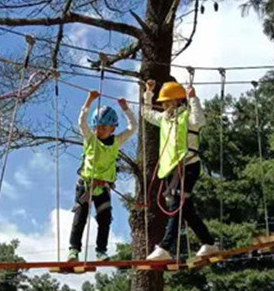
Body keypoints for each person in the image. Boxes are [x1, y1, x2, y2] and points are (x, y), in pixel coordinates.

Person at [143, 79, 218, 261]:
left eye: (169, 102)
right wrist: (148, 93)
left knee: (176, 205)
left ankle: (165, 247)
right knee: (186, 211)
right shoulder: (164, 119)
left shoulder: (188, 117)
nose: (166, 106)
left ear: (178, 101)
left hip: (189, 165)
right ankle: (209, 243)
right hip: (172, 170)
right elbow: (146, 113)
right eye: (164, 103)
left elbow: (199, 120)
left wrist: (193, 98)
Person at [68, 90, 137, 262]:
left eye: (105, 127)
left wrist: (126, 109)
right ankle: (73, 251)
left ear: (113, 128)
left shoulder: (116, 142)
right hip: (86, 184)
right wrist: (89, 100)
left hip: (104, 186)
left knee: (104, 219)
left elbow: (133, 128)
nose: (101, 130)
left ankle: (101, 251)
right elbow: (81, 121)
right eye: (98, 127)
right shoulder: (90, 139)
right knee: (80, 218)